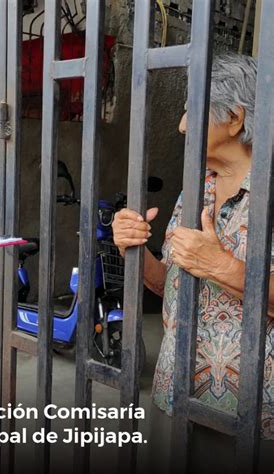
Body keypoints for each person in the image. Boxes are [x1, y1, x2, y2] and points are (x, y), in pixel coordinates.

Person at [112, 53, 273, 472]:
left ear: (235, 118)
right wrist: (135, 250)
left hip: (251, 413)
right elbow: (171, 286)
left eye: (192, 110)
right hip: (176, 392)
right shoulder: (194, 188)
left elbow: (209, 269)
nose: (182, 125)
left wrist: (219, 265)